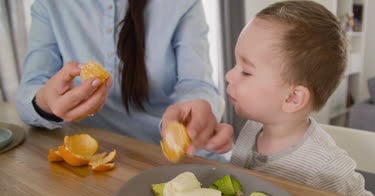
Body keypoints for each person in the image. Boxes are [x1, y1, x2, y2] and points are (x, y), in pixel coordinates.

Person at [16, 0, 232, 157]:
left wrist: (197, 111)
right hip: (96, 161)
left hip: (174, 156)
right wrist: (45, 102)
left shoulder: (181, 4)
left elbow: (197, 84)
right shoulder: (49, 5)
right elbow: (29, 92)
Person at [226, 1, 375, 196]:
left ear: (292, 98)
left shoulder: (326, 166)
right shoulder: (253, 129)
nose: (229, 75)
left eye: (245, 71)